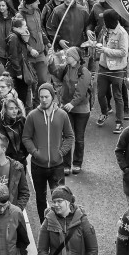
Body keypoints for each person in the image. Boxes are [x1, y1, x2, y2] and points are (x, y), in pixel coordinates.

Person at [22, 82, 75, 223]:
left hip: (57, 165)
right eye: (41, 97)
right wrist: (35, 152)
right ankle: (44, 225)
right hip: (37, 165)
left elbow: (70, 136)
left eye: (46, 97)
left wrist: (61, 152)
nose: (44, 100)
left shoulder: (62, 115)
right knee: (40, 198)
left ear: (52, 97)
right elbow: (26, 137)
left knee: (59, 198)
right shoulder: (32, 116)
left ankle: (60, 225)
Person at [48, 47, 91, 175]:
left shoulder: (84, 72)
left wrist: (72, 104)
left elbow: (81, 92)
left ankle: (77, 163)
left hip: (81, 110)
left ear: (76, 58)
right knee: (67, 136)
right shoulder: (65, 67)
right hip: (67, 107)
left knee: (79, 137)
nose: (66, 57)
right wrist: (50, 62)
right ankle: (66, 164)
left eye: (68, 56)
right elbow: (55, 72)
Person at [37, 185, 99, 255]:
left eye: (59, 201)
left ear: (68, 201)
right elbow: (42, 249)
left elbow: (92, 249)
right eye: (54, 202)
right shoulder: (49, 220)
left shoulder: (82, 220)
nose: (56, 205)